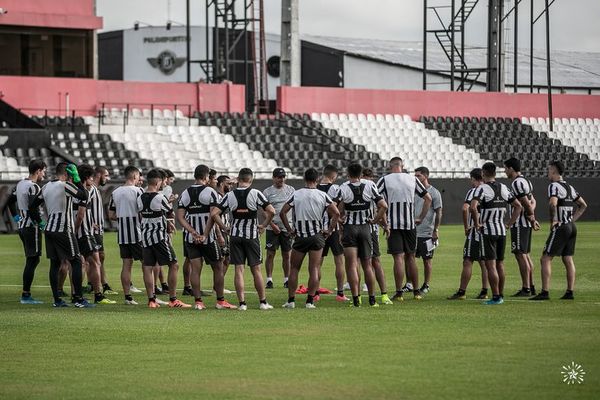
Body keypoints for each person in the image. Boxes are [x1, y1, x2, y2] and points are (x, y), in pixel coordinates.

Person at [205, 168, 275, 310]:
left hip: (235, 236)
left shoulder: (230, 195)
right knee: (256, 270)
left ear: (238, 178)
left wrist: (224, 227)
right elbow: (272, 211)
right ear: (251, 179)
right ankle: (263, 302)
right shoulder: (256, 193)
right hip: (251, 236)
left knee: (239, 269)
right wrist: (263, 225)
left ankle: (242, 303)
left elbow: (214, 213)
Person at [29, 162, 94, 307]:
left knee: (55, 263)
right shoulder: (65, 185)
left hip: (50, 228)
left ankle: (57, 300)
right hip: (64, 228)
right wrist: (77, 179)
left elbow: (32, 207)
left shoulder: (46, 186)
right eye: (71, 175)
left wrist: (40, 222)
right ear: (68, 174)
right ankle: (78, 298)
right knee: (76, 261)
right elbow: (84, 195)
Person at [176, 165, 236, 310]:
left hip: (191, 239)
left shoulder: (185, 193)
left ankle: (198, 302)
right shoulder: (210, 192)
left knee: (196, 269)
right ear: (206, 177)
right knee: (218, 267)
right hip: (207, 238)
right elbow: (213, 215)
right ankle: (220, 301)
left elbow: (180, 217)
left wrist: (192, 232)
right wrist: (204, 234)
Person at [279, 168, 340, 309]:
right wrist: (329, 230)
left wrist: (289, 230)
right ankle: (310, 301)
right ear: (317, 179)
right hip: (317, 236)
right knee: (314, 268)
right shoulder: (322, 195)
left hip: (300, 236)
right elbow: (336, 213)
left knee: (294, 268)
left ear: (304, 179)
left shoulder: (297, 194)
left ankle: (291, 300)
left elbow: (283, 212)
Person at [376, 157, 431, 301]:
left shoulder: (385, 180)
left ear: (390, 166)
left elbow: (377, 201)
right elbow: (428, 198)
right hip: (410, 224)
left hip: (393, 225)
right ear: (402, 165)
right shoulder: (412, 179)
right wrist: (420, 217)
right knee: (411, 257)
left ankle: (399, 293)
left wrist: (383, 222)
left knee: (398, 258)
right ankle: (417, 291)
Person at [530, 161, 587, 301]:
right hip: (571, 227)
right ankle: (570, 292)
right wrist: (572, 220)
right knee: (567, 258)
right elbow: (583, 205)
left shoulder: (553, 186)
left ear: (554, 171)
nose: (548, 173)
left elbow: (552, 203)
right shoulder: (569, 187)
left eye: (549, 170)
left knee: (545, 258)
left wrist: (553, 220)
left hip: (561, 226)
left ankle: (545, 292)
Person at [470, 162, 522, 305]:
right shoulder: (503, 187)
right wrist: (509, 224)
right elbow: (518, 206)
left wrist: (477, 224)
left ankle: (496, 297)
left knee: (490, 265)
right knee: (500, 264)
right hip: (501, 231)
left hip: (488, 231)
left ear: (483, 173)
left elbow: (473, 207)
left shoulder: (481, 189)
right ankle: (500, 294)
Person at [138, 169, 190, 308]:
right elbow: (169, 211)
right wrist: (171, 201)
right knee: (174, 264)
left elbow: (141, 216)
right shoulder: (160, 198)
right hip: (159, 237)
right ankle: (173, 299)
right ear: (157, 181)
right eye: (162, 181)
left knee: (148, 267)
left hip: (145, 237)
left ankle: (151, 300)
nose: (163, 184)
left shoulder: (140, 197)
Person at [338, 163, 388, 307]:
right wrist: (375, 220)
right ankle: (372, 299)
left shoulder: (343, 187)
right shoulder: (370, 186)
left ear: (348, 173)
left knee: (352, 265)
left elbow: (334, 208)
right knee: (368, 265)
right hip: (366, 228)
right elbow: (383, 206)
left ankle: (356, 300)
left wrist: (340, 219)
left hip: (350, 228)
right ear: (361, 174)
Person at [73, 164, 115, 305]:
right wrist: (87, 225)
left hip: (86, 230)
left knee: (83, 262)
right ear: (88, 178)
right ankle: (97, 294)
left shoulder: (79, 190)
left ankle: (78, 293)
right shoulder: (87, 190)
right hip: (85, 232)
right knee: (91, 262)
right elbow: (81, 212)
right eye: (91, 177)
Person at [7, 159, 47, 304]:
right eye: (43, 171)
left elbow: (9, 202)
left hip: (22, 226)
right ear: (38, 171)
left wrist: (18, 217)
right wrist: (40, 223)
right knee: (33, 259)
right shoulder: (34, 187)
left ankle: (26, 294)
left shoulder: (20, 184)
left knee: (31, 259)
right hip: (31, 227)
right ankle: (26, 295)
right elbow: (32, 207)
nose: (44, 174)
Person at [448, 168, 490, 300]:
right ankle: (485, 291)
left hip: (475, 232)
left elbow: (465, 208)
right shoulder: (490, 190)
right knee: (484, 262)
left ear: (474, 178)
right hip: (488, 231)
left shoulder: (474, 191)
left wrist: (467, 227)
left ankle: (462, 291)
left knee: (468, 261)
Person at [503, 157, 540, 297]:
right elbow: (532, 201)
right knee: (525, 255)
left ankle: (526, 288)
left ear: (511, 168)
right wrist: (532, 217)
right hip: (525, 223)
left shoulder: (517, 183)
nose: (505, 171)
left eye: (506, 168)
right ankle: (531, 285)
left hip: (519, 224)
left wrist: (530, 216)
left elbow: (525, 202)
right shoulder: (526, 181)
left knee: (520, 255)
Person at [108, 166, 144, 304]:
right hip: (137, 233)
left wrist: (123, 218)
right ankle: (152, 297)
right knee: (147, 264)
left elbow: (111, 215)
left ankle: (128, 297)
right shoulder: (139, 191)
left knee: (126, 265)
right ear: (135, 176)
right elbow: (142, 212)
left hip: (122, 234)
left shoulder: (115, 192)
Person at [361, 168, 393, 305]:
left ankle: (360, 297)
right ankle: (382, 294)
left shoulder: (350, 186)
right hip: (370, 228)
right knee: (375, 261)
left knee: (360, 263)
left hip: (360, 228)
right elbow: (382, 208)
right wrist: (384, 225)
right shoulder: (372, 187)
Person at [317, 164, 347, 301]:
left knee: (317, 263)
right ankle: (340, 293)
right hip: (333, 229)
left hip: (317, 230)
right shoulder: (336, 188)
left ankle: (315, 293)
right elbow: (337, 208)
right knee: (339, 261)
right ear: (334, 176)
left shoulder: (315, 188)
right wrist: (339, 220)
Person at [412, 166, 443, 294]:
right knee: (410, 259)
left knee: (427, 260)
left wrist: (436, 229)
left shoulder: (434, 192)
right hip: (412, 231)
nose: (415, 178)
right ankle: (410, 283)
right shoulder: (413, 191)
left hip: (427, 232)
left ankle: (426, 284)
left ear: (426, 176)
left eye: (418, 175)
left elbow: (439, 212)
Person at [263, 167, 295, 289]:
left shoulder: (291, 190)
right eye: (278, 177)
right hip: (273, 227)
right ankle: (269, 280)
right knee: (270, 254)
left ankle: (286, 279)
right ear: (273, 178)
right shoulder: (267, 192)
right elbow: (264, 211)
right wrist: (271, 224)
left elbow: (294, 207)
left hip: (287, 227)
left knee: (287, 254)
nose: (281, 179)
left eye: (283, 177)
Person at [91, 166, 118, 294]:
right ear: (99, 175)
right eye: (106, 175)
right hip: (92, 231)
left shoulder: (95, 189)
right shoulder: (91, 189)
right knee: (96, 258)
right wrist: (90, 223)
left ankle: (98, 284)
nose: (107, 178)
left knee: (98, 258)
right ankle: (98, 287)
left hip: (98, 231)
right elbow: (82, 208)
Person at [216, 175, 234, 293]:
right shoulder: (217, 197)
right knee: (221, 259)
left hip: (226, 231)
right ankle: (217, 287)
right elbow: (213, 216)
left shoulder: (226, 196)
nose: (230, 186)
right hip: (220, 232)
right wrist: (219, 234)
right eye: (228, 184)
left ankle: (218, 285)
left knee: (227, 259)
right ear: (222, 184)